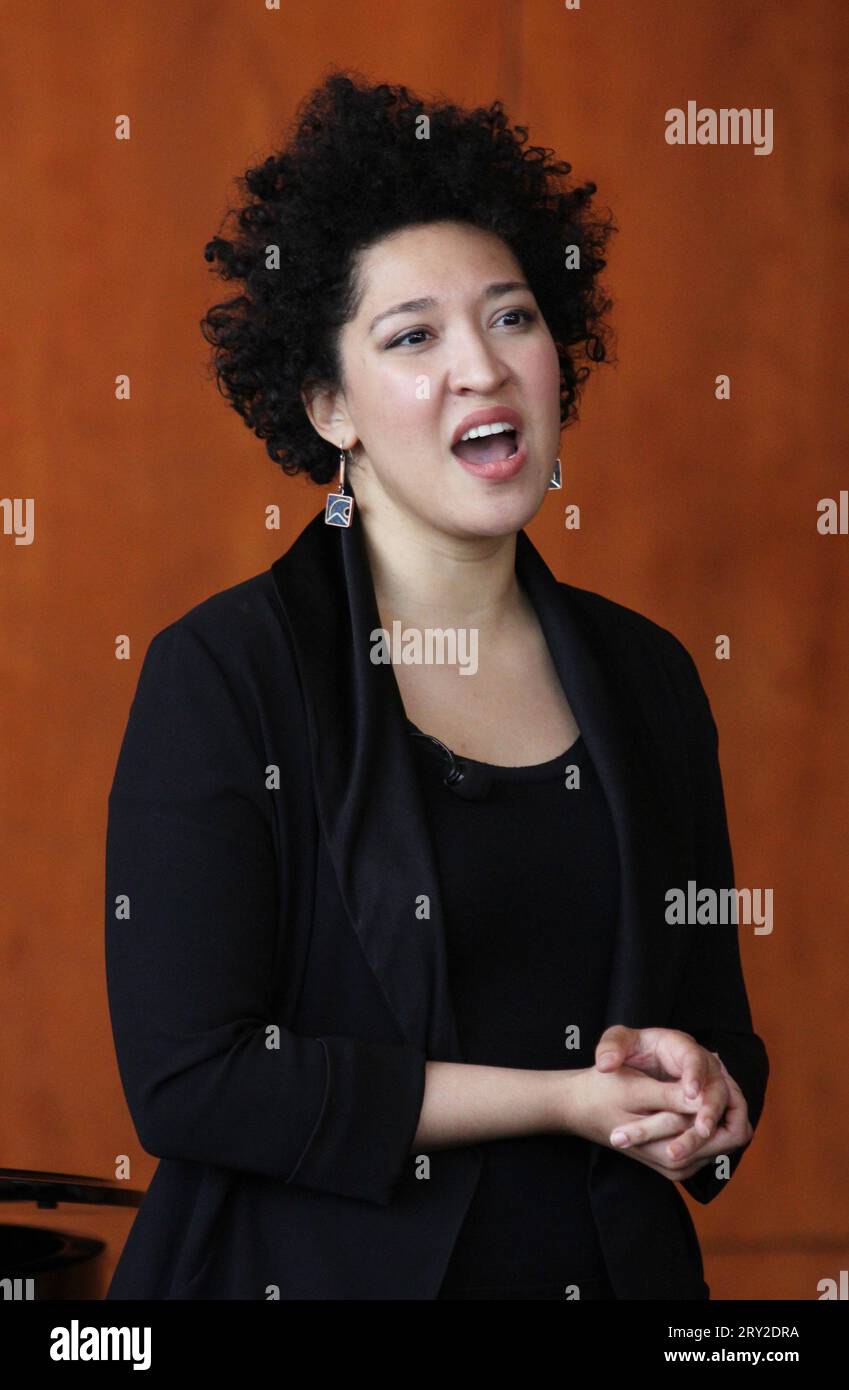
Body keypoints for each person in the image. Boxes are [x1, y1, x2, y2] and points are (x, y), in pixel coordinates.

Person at [104, 70, 768, 1301]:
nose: (483, 367)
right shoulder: (225, 675)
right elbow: (193, 1078)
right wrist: (559, 1097)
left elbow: (716, 1020)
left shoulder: (649, 676)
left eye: (511, 318)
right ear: (328, 406)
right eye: (412, 336)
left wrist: (709, 1096)